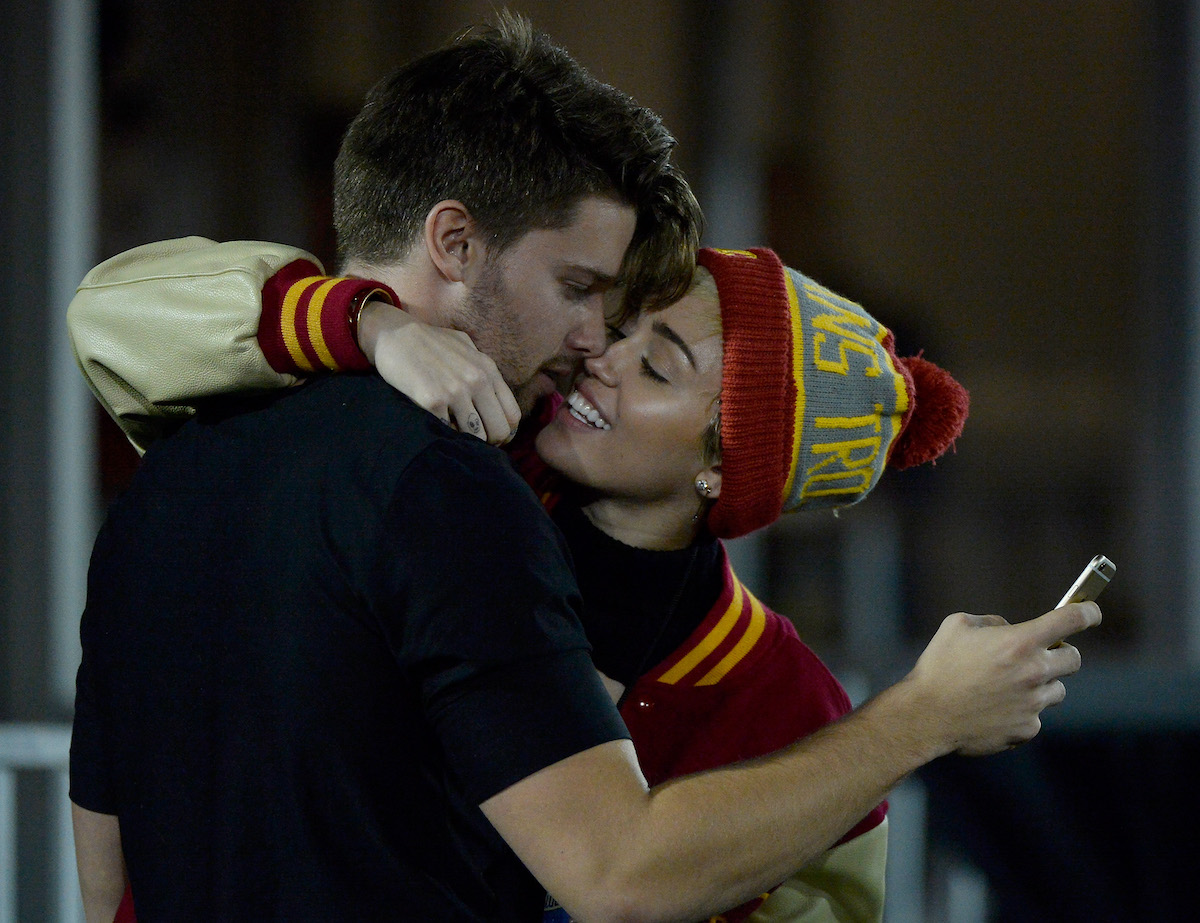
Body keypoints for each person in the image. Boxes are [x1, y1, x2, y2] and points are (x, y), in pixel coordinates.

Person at [68, 16, 1100, 923]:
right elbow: (618, 867)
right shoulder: (460, 483)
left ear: (723, 469)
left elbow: (103, 868)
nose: (593, 343)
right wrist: (371, 324)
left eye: (653, 355)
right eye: (590, 296)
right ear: (457, 241)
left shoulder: (777, 694)